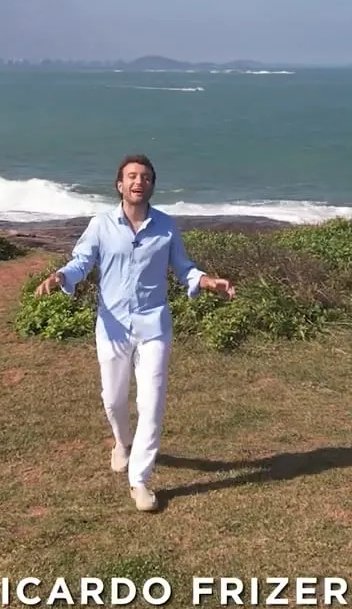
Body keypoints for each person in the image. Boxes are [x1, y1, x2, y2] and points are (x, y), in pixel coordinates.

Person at [35, 155, 236, 512]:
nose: (138, 181)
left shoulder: (166, 226)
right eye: (131, 176)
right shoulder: (100, 224)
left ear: (152, 185)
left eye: (144, 177)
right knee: (113, 400)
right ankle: (122, 441)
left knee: (151, 404)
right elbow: (82, 261)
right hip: (111, 327)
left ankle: (140, 480)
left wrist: (206, 281)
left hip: (154, 326)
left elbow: (183, 268)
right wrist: (62, 276)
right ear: (119, 185)